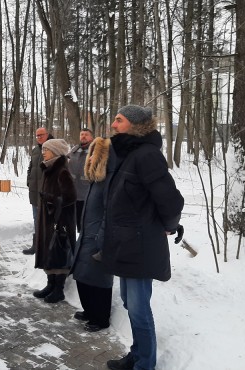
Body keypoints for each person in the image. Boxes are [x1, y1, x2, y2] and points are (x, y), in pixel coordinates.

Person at [104, 105, 184, 370]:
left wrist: (169, 225)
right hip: (126, 244)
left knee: (139, 310)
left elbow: (170, 200)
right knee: (129, 303)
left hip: (140, 245)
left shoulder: (147, 155)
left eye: (119, 120)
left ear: (135, 125)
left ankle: (144, 365)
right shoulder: (130, 154)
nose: (113, 125)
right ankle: (137, 355)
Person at [70, 136, 114, 333]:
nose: (89, 158)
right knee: (82, 275)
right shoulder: (94, 181)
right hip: (87, 233)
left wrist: (101, 238)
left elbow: (109, 213)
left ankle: (101, 318)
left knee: (99, 279)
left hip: (98, 237)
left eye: (93, 155)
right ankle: (89, 311)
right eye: (89, 154)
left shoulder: (107, 182)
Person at [33, 138, 76, 303]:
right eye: (43, 149)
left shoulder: (61, 171)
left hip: (61, 221)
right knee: (49, 252)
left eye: (46, 149)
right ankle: (50, 285)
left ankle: (59, 289)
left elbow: (70, 197)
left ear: (56, 152)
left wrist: (51, 199)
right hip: (49, 219)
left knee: (58, 252)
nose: (43, 152)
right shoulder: (49, 169)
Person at [23, 127, 52, 255]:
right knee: (37, 219)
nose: (39, 137)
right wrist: (29, 180)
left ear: (47, 134)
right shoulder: (35, 150)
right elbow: (31, 167)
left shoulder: (53, 149)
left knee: (48, 221)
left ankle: (48, 247)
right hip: (34, 192)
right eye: (37, 136)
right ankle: (37, 246)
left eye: (41, 135)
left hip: (47, 193)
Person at [68, 128, 94, 229]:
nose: (83, 136)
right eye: (81, 134)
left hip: (88, 194)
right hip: (74, 193)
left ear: (91, 137)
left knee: (86, 224)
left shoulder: (95, 150)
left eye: (86, 134)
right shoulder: (74, 149)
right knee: (75, 223)